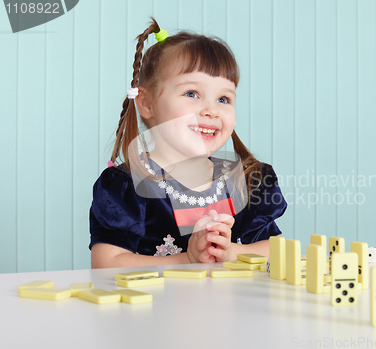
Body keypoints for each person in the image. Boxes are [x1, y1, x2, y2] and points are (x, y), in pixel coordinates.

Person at [89, 18, 287, 268]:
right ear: (147, 104)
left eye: (223, 99)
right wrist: (187, 259)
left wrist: (229, 253)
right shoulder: (126, 187)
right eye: (192, 94)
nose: (211, 110)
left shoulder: (245, 180)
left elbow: (278, 249)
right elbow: (106, 264)